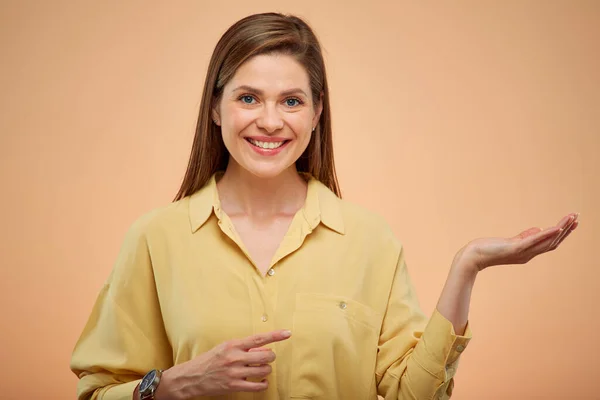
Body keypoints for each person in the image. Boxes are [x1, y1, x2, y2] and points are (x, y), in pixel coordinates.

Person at [70, 12, 579, 400]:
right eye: (248, 98)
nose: (270, 121)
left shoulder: (369, 240)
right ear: (214, 108)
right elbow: (96, 392)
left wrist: (467, 266)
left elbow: (412, 394)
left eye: (291, 101)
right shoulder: (156, 238)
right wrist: (174, 384)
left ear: (316, 113)